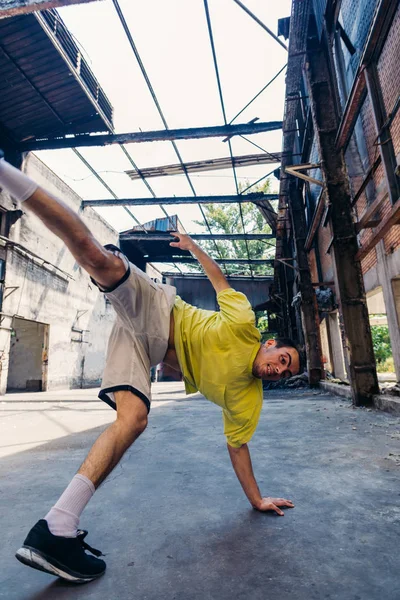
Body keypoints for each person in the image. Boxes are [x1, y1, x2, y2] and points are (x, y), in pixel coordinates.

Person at [0, 152, 300, 583]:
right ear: (271, 345)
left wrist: (256, 500)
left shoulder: (247, 399)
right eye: (282, 360)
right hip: (158, 309)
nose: (279, 370)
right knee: (94, 256)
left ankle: (55, 529)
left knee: (134, 420)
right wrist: (194, 246)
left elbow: (238, 449)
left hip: (145, 348)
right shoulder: (243, 324)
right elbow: (219, 281)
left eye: (286, 373)